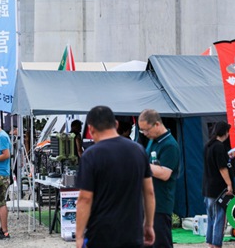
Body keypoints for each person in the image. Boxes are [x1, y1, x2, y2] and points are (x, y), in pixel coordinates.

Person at [75, 105, 155, 248]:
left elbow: (85, 199)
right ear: (116, 124)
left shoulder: (91, 155)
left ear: (91, 129)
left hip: (101, 234)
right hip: (133, 233)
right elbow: (149, 191)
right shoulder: (138, 151)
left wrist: (79, 235)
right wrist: (148, 225)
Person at [138, 109, 181, 248]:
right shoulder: (153, 140)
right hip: (147, 202)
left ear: (157, 124)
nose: (145, 133)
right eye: (142, 131)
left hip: (160, 204)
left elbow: (164, 173)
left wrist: (139, 163)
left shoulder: (170, 145)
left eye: (146, 130)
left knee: (161, 243)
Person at [202, 121, 233, 248]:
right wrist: (229, 184)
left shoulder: (208, 146)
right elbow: (222, 168)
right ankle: (216, 244)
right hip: (218, 188)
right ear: (225, 132)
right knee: (219, 217)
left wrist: (228, 157)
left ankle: (210, 242)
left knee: (211, 217)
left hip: (207, 187)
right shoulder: (219, 146)